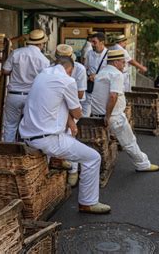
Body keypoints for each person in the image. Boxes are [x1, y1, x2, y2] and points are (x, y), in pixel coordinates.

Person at [19, 55, 111, 214]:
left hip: (28, 135)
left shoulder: (42, 75)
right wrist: (73, 119)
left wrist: (69, 123)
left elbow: (56, 103)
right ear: (70, 70)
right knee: (93, 157)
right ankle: (88, 202)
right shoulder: (67, 81)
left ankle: (59, 160)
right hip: (48, 140)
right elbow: (77, 113)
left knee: (69, 133)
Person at [91, 49, 159, 172]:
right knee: (129, 142)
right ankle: (143, 164)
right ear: (116, 62)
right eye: (123, 62)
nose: (124, 65)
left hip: (98, 114)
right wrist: (108, 115)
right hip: (113, 116)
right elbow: (113, 96)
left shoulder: (101, 73)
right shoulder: (116, 74)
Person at [2, 29, 50, 142]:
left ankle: (8, 153)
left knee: (10, 125)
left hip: (14, 95)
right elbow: (45, 81)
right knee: (30, 126)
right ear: (40, 44)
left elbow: (5, 71)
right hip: (32, 96)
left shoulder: (16, 53)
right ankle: (26, 153)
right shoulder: (44, 60)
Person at [50, 44, 87, 187]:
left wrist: (65, 92)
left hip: (72, 105)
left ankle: (73, 170)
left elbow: (80, 94)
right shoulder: (50, 68)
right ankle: (57, 166)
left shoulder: (80, 69)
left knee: (69, 135)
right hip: (57, 105)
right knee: (54, 135)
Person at [83, 32, 108, 117]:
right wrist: (87, 76)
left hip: (102, 89)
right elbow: (85, 68)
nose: (92, 44)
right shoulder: (89, 53)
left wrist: (97, 76)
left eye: (94, 42)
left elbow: (111, 73)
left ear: (102, 42)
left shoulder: (109, 55)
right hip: (90, 86)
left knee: (99, 112)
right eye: (91, 42)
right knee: (86, 110)